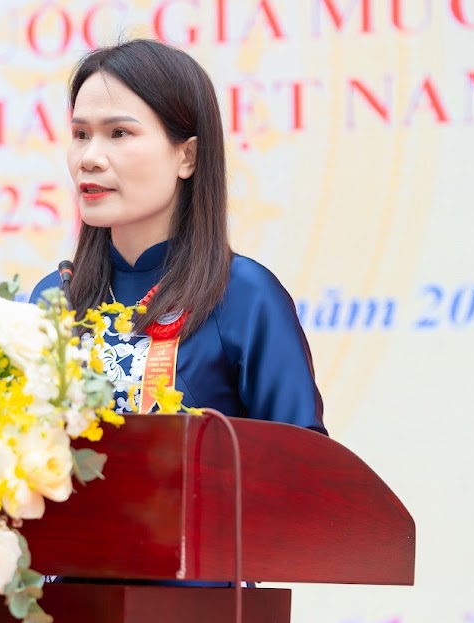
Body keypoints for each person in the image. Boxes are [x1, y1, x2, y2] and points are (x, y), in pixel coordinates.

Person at [30, 39, 326, 434]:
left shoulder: (243, 295)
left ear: (187, 156)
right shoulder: (54, 299)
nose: (89, 158)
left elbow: (302, 460)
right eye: (81, 134)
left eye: (119, 133)